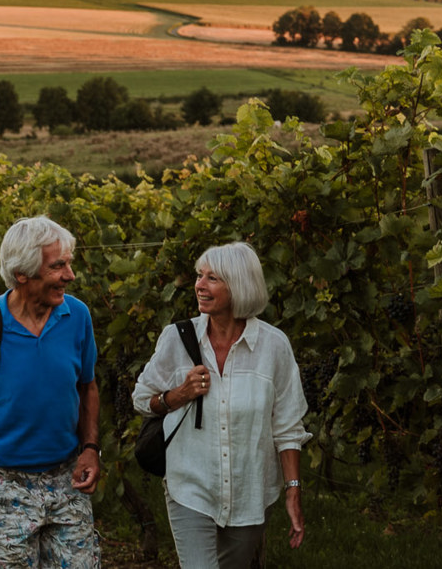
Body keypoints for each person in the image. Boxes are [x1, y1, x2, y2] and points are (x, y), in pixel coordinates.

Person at [131, 242, 311, 569]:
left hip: (252, 492)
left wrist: (292, 490)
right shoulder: (177, 339)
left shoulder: (273, 347)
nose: (200, 285)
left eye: (212, 278)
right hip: (190, 487)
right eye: (201, 276)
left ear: (239, 285)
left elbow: (287, 428)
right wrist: (179, 394)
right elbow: (143, 399)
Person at [0, 215, 103, 568]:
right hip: (2, 483)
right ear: (22, 274)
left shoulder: (77, 316)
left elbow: (88, 386)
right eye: (57, 266)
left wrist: (91, 448)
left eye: (69, 264)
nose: (70, 275)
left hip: (66, 479)